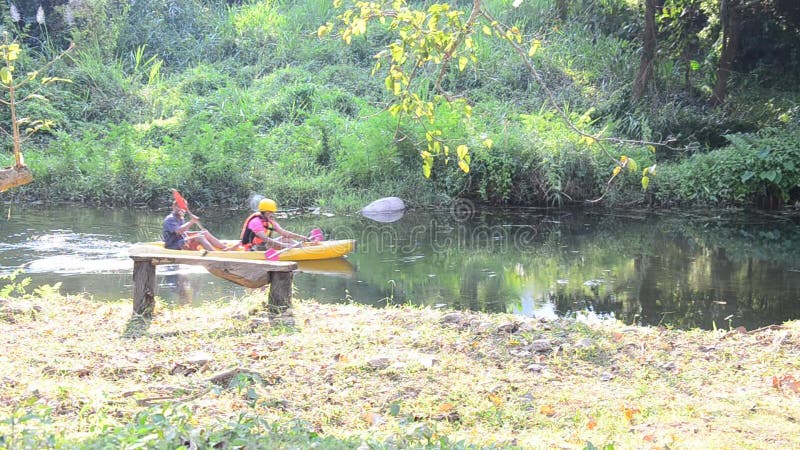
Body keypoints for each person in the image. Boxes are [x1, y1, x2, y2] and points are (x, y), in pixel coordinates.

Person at [239, 198, 311, 251]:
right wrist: (283, 245)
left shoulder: (269, 220)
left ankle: (301, 247)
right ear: (266, 212)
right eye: (271, 212)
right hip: (253, 248)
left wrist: (301, 237)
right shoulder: (255, 222)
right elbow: (265, 239)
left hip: (263, 245)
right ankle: (301, 249)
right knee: (281, 242)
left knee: (285, 238)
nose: (272, 214)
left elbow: (284, 232)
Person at [163, 201, 230, 251]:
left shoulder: (181, 218)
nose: (181, 209)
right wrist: (192, 221)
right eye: (179, 207)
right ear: (174, 207)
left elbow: (184, 233)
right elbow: (179, 231)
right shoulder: (170, 219)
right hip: (173, 245)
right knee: (200, 237)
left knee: (204, 233)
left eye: (183, 208)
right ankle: (214, 255)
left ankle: (224, 248)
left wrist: (198, 232)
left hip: (182, 241)